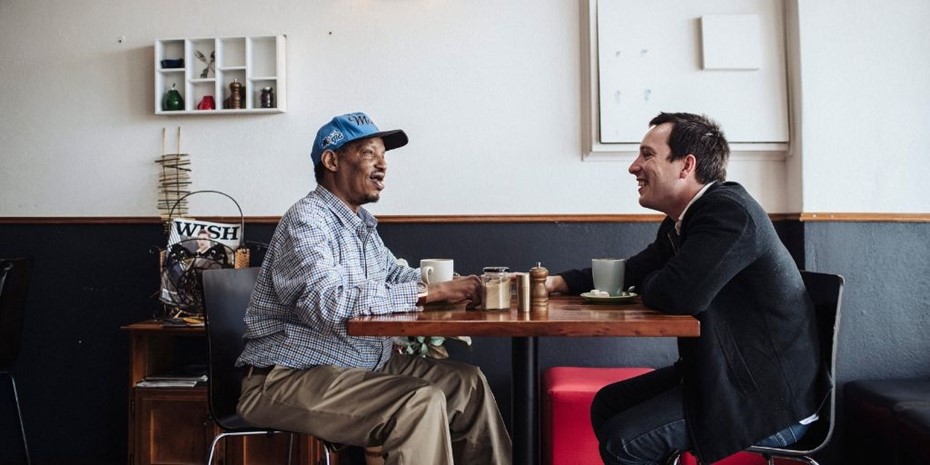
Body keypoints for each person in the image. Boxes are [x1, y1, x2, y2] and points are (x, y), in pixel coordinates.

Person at [235, 111, 512, 465]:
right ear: (331, 160)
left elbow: (396, 278)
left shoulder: (360, 227)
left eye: (384, 156)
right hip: (287, 377)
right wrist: (434, 293)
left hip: (359, 366)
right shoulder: (306, 221)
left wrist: (465, 285)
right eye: (369, 153)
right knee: (418, 403)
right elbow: (328, 304)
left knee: (466, 385)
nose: (382, 165)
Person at [546, 112, 823, 465]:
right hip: (721, 377)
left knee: (625, 442)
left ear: (685, 165)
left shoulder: (728, 214)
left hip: (768, 398)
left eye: (647, 155)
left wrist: (653, 282)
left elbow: (677, 295)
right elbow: (633, 272)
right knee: (608, 404)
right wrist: (557, 283)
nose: (634, 167)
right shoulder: (684, 221)